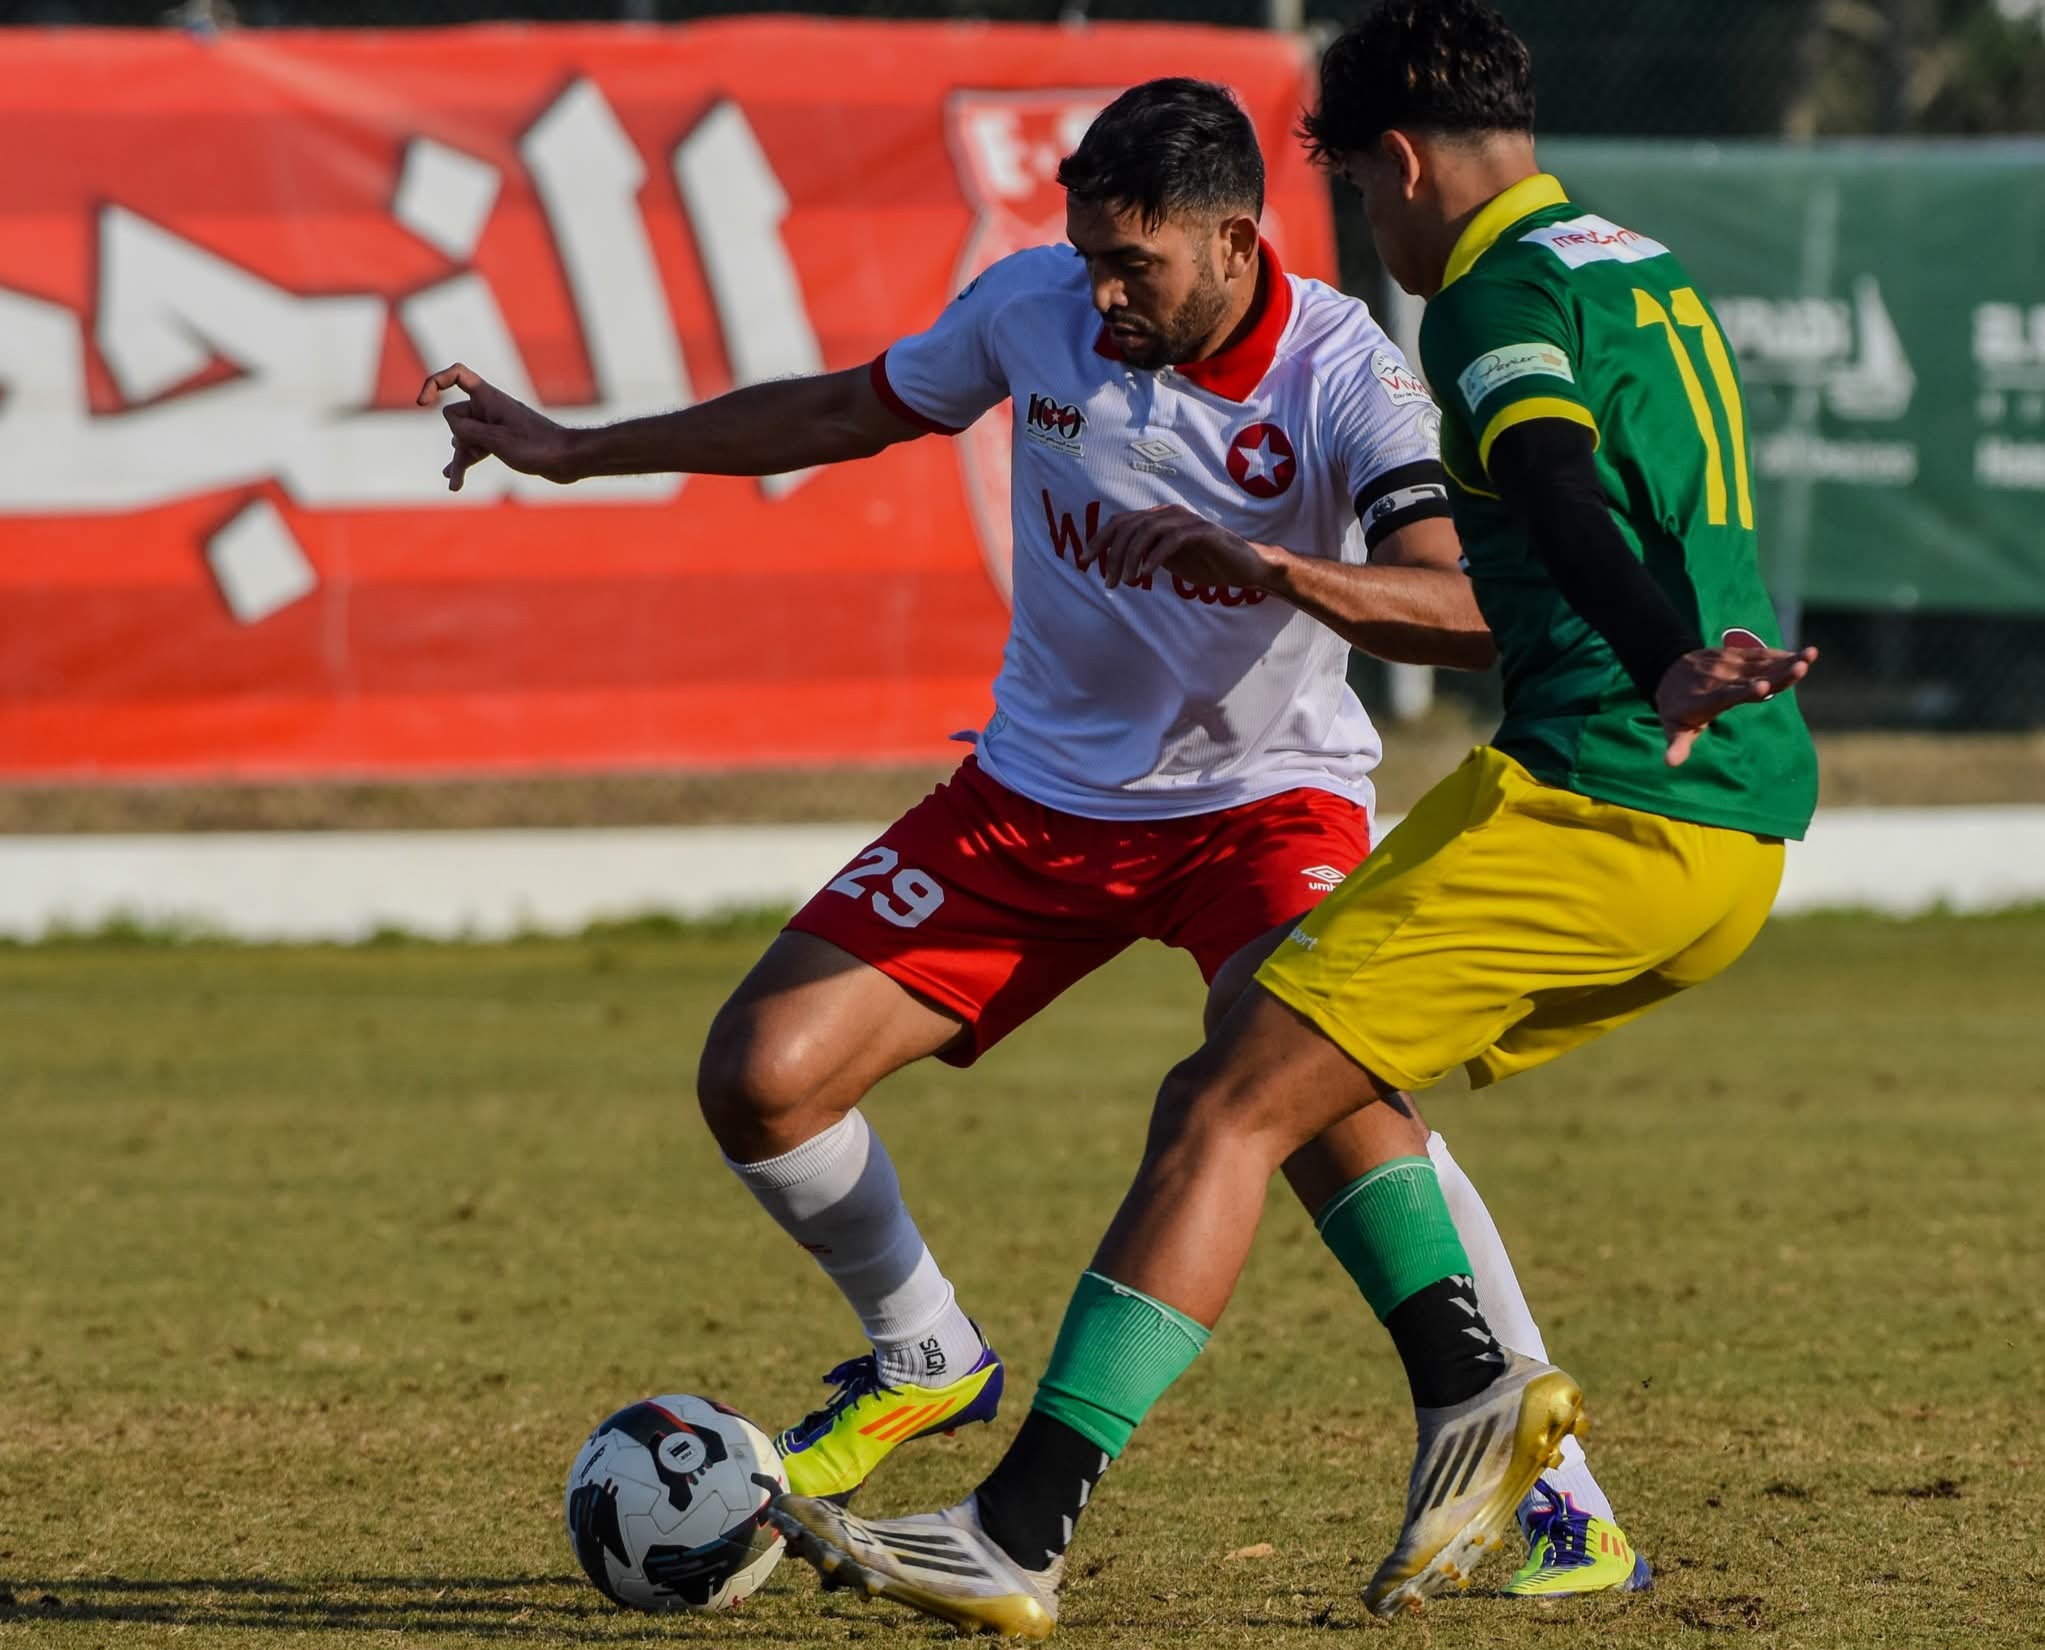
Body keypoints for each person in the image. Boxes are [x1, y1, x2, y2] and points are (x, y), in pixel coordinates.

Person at [419, 71, 1639, 1607]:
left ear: (1237, 241)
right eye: (1086, 254)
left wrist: (1268, 566)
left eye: (1135, 263)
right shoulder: (1033, 309)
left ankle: (1555, 1488)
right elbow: (841, 408)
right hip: (1033, 802)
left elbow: (1461, 604)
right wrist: (579, 449)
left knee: (1306, 1083)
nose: (1101, 290)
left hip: (1265, 807)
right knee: (761, 1077)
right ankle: (923, 1349)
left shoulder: (1347, 375)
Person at [769, 5, 1820, 1636]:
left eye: (1355, 182)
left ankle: (1025, 1525)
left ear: (1393, 163)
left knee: (1233, 1106)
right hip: (1691, 808)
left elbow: (1533, 481)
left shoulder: (1478, 299)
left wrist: (1647, 650)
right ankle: (1509, 1456)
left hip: (1604, 791)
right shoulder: (1641, 264)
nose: (1370, 230)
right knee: (1301, 1081)